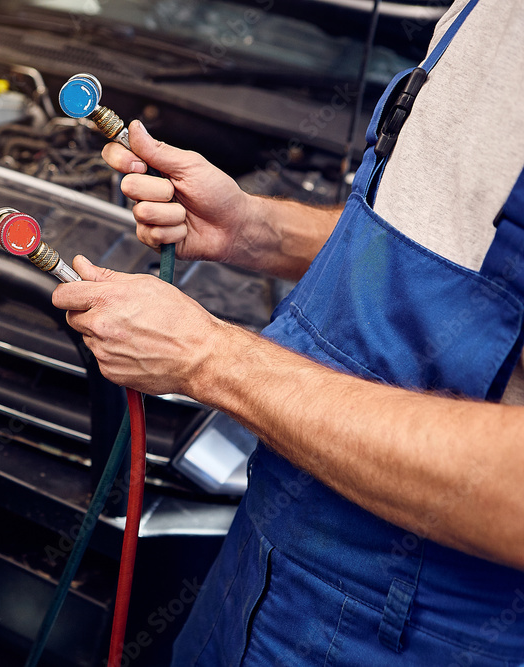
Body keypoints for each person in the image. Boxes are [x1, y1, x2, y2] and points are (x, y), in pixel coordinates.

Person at [52, 1, 524, 664]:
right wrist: (255, 230)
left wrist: (213, 358)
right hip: (270, 555)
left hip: (423, 632)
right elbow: (443, 247)